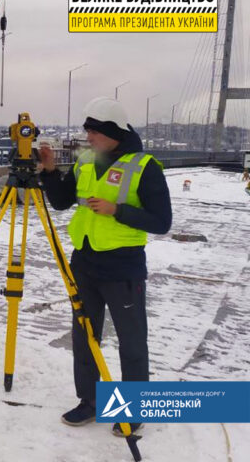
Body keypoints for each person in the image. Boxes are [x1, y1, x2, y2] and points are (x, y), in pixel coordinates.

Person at [38, 97, 172, 436]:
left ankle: (135, 407)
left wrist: (118, 211)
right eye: (87, 131)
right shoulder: (85, 161)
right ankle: (90, 401)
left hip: (123, 266)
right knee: (85, 336)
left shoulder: (145, 166)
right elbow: (61, 201)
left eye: (93, 131)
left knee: (131, 340)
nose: (88, 137)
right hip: (84, 262)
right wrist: (51, 171)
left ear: (113, 132)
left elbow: (162, 221)